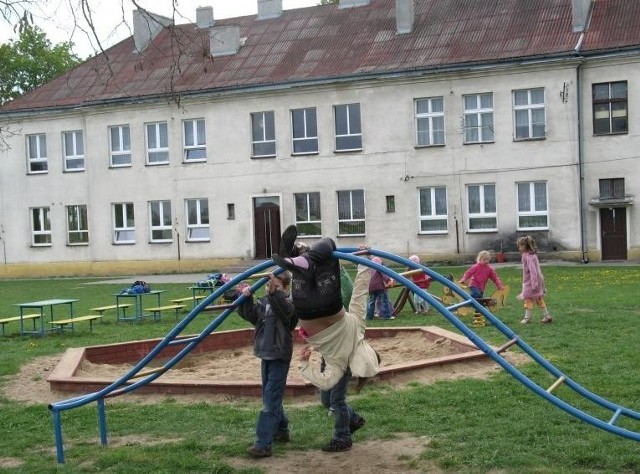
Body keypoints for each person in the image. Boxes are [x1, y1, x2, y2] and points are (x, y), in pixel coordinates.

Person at [272, 226, 379, 452]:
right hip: (318, 307)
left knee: (335, 401)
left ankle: (343, 437)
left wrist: (303, 362)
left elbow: (323, 380)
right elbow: (359, 296)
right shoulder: (356, 334)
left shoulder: (341, 363)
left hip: (316, 307)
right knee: (330, 401)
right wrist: (364, 263)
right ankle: (296, 255)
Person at [237, 272, 298, 459]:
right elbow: (251, 316)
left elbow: (286, 315)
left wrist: (275, 294)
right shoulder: (264, 303)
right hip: (265, 353)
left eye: (276, 287)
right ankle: (282, 429)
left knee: (271, 398)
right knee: (270, 394)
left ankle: (263, 444)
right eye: (268, 287)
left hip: (280, 354)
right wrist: (245, 300)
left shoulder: (290, 304)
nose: (271, 290)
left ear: (286, 288)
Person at [517, 235, 553, 324]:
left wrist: (534, 284)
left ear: (525, 246)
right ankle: (547, 315)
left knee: (528, 298)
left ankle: (527, 318)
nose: (519, 248)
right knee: (539, 298)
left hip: (531, 282)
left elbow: (533, 271)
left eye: (520, 246)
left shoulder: (529, 257)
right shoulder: (529, 255)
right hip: (535, 280)